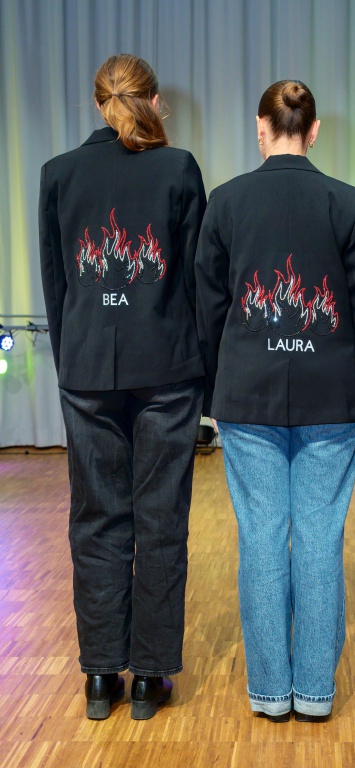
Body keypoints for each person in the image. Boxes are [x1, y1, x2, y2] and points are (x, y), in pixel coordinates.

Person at [195, 80, 355, 722]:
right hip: (334, 397)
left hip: (247, 395)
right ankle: (315, 694)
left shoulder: (225, 202)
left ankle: (271, 693)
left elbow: (208, 309)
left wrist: (214, 391)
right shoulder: (349, 204)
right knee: (321, 538)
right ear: (315, 130)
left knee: (262, 540)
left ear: (261, 127)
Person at [38, 54, 206, 720]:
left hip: (86, 370)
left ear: (97, 103)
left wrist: (72, 362)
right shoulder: (179, 169)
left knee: (96, 520)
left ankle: (100, 676)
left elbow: (57, 286)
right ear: (153, 101)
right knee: (160, 522)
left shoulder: (58, 173)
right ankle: (149, 680)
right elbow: (195, 283)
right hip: (167, 370)